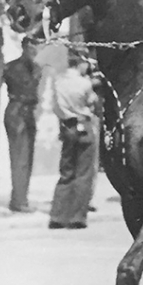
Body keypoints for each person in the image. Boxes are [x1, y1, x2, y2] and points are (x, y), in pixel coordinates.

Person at [50, 52, 100, 229]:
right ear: (81, 64)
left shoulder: (58, 81)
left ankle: (57, 215)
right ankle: (77, 217)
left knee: (66, 172)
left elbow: (54, 106)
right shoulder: (85, 83)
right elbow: (93, 103)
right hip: (84, 125)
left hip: (67, 126)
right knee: (84, 172)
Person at [0, 37, 42, 212]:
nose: (34, 50)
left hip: (29, 111)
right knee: (19, 156)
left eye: (36, 47)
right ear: (23, 47)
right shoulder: (11, 66)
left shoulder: (37, 68)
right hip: (16, 111)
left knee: (27, 157)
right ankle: (18, 201)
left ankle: (21, 198)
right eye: (31, 47)